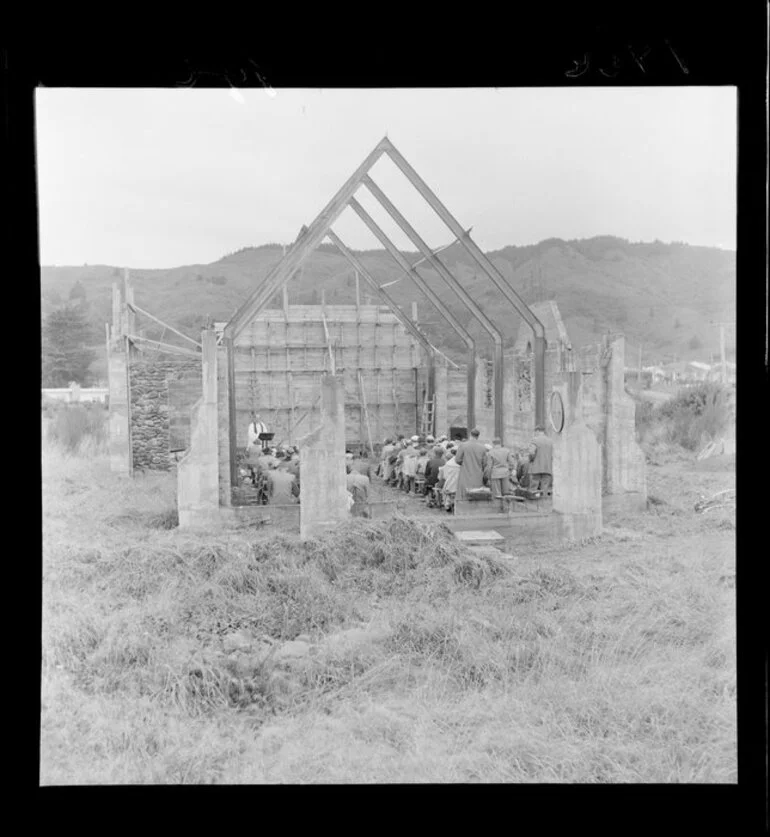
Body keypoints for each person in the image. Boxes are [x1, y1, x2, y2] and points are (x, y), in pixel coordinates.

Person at [453, 427, 487, 500]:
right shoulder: (483, 447)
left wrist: (465, 462)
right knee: (476, 493)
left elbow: (457, 460)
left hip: (465, 472)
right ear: (478, 436)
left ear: (470, 435)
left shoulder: (463, 445)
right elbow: (485, 463)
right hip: (478, 474)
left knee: (464, 494)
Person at [528, 425, 554, 495]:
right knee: (544, 488)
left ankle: (534, 503)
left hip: (536, 468)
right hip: (547, 468)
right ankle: (543, 502)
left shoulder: (535, 440)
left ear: (537, 431)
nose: (535, 434)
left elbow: (531, 452)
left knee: (534, 488)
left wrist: (531, 460)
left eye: (535, 432)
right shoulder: (551, 441)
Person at [438, 448, 460, 512]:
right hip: (460, 485)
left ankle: (447, 505)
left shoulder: (448, 464)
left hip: (450, 485)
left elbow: (445, 476)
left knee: (446, 487)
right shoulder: (462, 463)